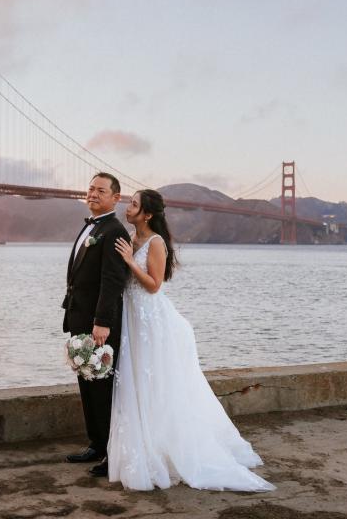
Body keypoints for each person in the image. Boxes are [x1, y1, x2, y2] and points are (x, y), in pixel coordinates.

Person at [108, 189, 275, 492]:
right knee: (135, 380)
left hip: (150, 320)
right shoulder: (130, 240)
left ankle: (166, 450)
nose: (128, 207)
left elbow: (154, 286)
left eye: (133, 204)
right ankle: (143, 447)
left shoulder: (156, 243)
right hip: (131, 318)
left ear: (147, 214)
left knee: (154, 382)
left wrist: (131, 262)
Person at [61, 172, 131, 477]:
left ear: (115, 198)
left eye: (101, 190)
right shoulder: (91, 226)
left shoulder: (114, 231)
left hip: (98, 325)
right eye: (90, 189)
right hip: (79, 317)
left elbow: (113, 281)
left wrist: (102, 322)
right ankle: (96, 443)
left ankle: (111, 453)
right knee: (87, 382)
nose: (93, 194)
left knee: (103, 388)